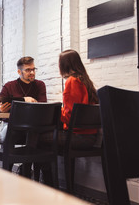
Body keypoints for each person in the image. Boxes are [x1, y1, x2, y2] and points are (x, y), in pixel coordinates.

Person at [38, 49, 98, 185]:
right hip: (91, 137)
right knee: (46, 143)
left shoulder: (72, 81)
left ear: (64, 65)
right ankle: (49, 184)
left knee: (39, 139)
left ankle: (47, 184)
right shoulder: (86, 81)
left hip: (79, 137)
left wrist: (56, 111)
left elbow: (70, 116)